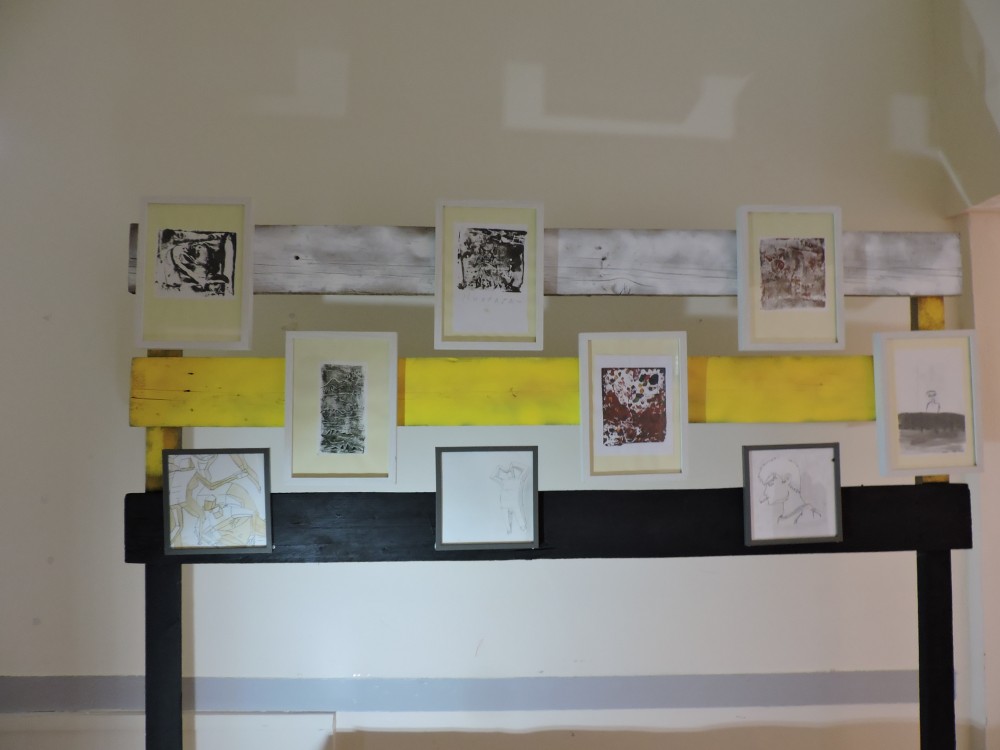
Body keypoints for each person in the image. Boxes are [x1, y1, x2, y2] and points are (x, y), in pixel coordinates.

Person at [757, 455, 821, 526]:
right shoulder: (781, 520)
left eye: (770, 484)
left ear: (787, 479)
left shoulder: (809, 516)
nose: (765, 492)